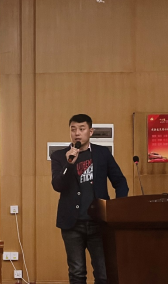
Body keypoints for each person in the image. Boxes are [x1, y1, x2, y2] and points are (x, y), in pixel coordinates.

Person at [51, 114, 129, 284]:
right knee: (77, 273)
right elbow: (57, 185)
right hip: (72, 225)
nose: (77, 133)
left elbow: (120, 181)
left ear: (90, 131)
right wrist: (69, 164)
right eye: (73, 129)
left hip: (99, 223)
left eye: (82, 129)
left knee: (103, 273)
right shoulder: (59, 156)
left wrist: (118, 208)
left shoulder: (102, 153)